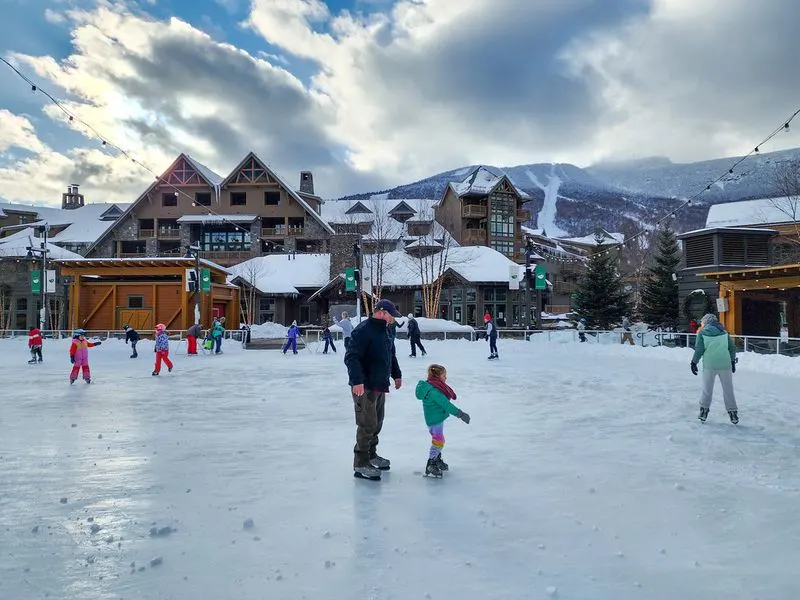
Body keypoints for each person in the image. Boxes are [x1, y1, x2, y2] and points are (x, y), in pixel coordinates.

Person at [344, 298, 403, 481]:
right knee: (367, 423)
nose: (394, 319)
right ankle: (360, 463)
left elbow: (390, 355)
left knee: (377, 422)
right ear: (382, 312)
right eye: (392, 316)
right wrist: (357, 381)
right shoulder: (363, 330)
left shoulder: (385, 331)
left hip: (379, 384)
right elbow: (352, 357)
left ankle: (371, 455)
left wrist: (397, 374)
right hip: (364, 386)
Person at [415, 364, 470, 478]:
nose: (446, 378)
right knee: (439, 440)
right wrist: (461, 414)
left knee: (438, 440)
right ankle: (431, 463)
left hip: (434, 418)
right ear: (437, 377)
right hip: (435, 420)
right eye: (444, 375)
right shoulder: (434, 392)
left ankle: (437, 459)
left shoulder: (432, 386)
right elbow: (446, 405)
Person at [690, 313, 738, 424]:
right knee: (728, 389)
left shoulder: (702, 333)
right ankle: (733, 413)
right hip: (725, 364)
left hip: (710, 365)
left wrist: (693, 362)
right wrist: (732, 361)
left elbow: (699, 350)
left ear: (705, 322)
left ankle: (703, 411)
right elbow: (732, 348)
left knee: (707, 389)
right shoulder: (724, 333)